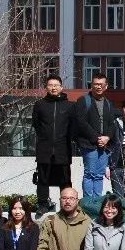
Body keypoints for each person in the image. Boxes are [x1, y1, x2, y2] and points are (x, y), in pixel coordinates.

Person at [31, 74, 73, 216]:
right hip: (44, 148)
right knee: (43, 179)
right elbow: (36, 124)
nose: (53, 88)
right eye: (50, 85)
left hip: (63, 149)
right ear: (46, 87)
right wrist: (45, 138)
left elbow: (72, 126)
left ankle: (67, 206)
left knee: (65, 180)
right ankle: (43, 204)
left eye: (56, 85)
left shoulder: (69, 106)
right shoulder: (40, 105)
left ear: (61, 87)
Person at [73, 73, 118, 199]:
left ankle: (97, 201)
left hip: (104, 145)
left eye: (101, 84)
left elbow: (112, 123)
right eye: (96, 84)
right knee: (90, 174)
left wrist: (107, 137)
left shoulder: (108, 103)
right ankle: (88, 202)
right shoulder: (83, 100)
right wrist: (97, 138)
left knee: (99, 176)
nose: (98, 87)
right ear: (91, 85)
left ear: (106, 86)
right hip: (89, 144)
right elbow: (81, 122)